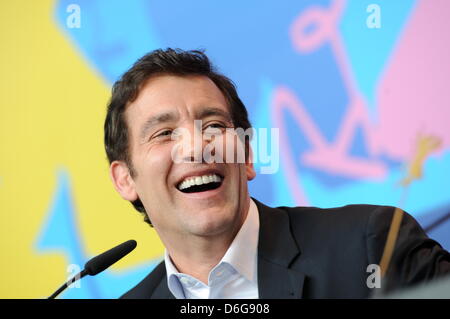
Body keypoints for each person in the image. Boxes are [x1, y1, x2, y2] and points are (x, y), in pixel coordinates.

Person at [104, 48, 450, 299]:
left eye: (213, 125)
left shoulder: (372, 248)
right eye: (164, 133)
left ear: (248, 155)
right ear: (125, 179)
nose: (196, 146)